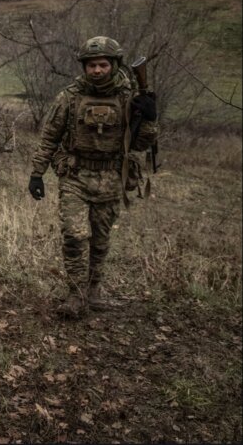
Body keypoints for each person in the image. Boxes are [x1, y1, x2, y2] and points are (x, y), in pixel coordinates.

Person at [27, 36, 158, 319]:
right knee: (74, 235)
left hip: (112, 176)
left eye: (102, 65)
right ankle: (76, 293)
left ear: (113, 64)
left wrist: (149, 117)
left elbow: (140, 144)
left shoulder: (128, 97)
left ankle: (95, 290)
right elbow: (49, 137)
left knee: (100, 238)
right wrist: (36, 173)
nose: (97, 70)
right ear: (84, 67)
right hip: (75, 176)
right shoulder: (70, 96)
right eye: (91, 66)